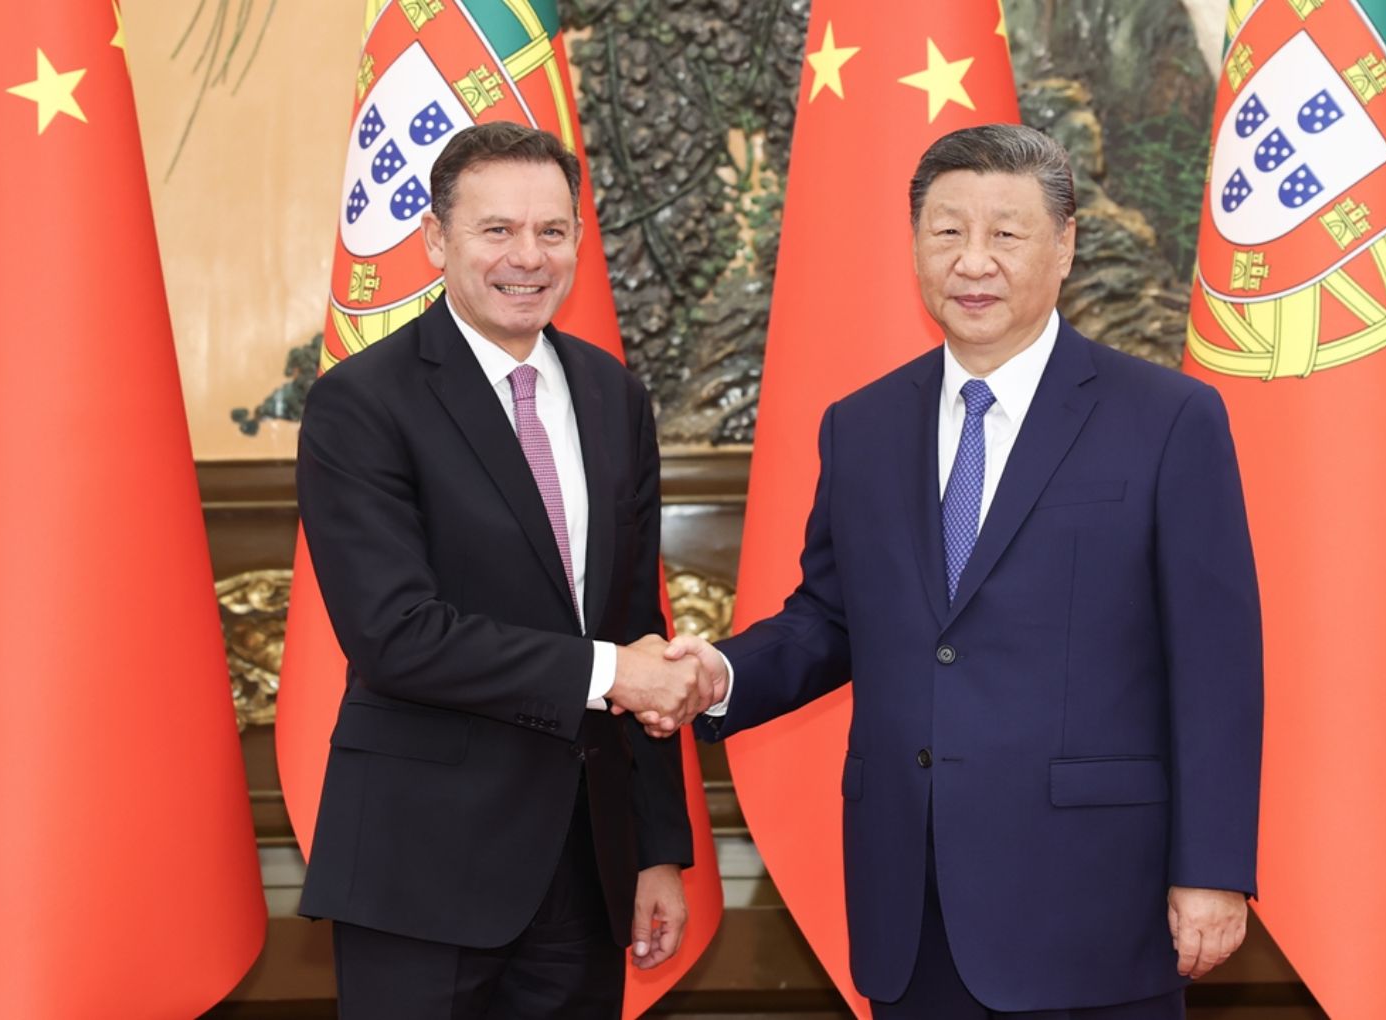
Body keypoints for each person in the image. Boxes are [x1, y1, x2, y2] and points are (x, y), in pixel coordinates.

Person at [666, 124, 1263, 1019]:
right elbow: (832, 618)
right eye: (947, 232)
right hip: (915, 902)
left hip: (1096, 903)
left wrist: (1211, 870)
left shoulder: (1168, 418)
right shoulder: (862, 426)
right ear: (915, 244)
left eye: (1006, 234)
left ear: (1064, 246)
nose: (973, 261)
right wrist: (721, 673)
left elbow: (1216, 664)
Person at [295, 122, 721, 1019]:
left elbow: (636, 622)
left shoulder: (614, 396)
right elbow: (396, 636)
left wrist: (655, 850)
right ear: (436, 239)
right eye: (497, 230)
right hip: (422, 868)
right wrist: (609, 673)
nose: (528, 257)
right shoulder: (361, 403)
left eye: (551, 231)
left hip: (587, 866)